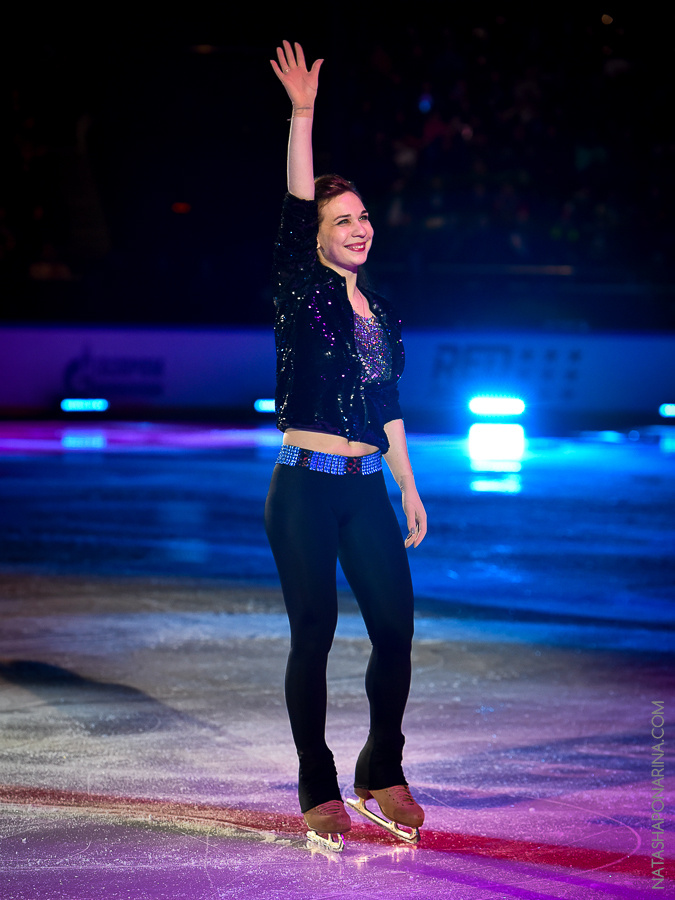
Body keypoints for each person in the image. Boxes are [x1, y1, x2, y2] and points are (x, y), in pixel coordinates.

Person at [265, 41, 427, 848]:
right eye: (340, 220)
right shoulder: (302, 288)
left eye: (361, 216)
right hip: (303, 486)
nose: (357, 228)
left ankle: (382, 771)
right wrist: (303, 113)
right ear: (316, 237)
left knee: (394, 627)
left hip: (364, 484)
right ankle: (315, 785)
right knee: (316, 634)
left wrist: (407, 484)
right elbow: (299, 206)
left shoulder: (382, 311)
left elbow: (387, 401)